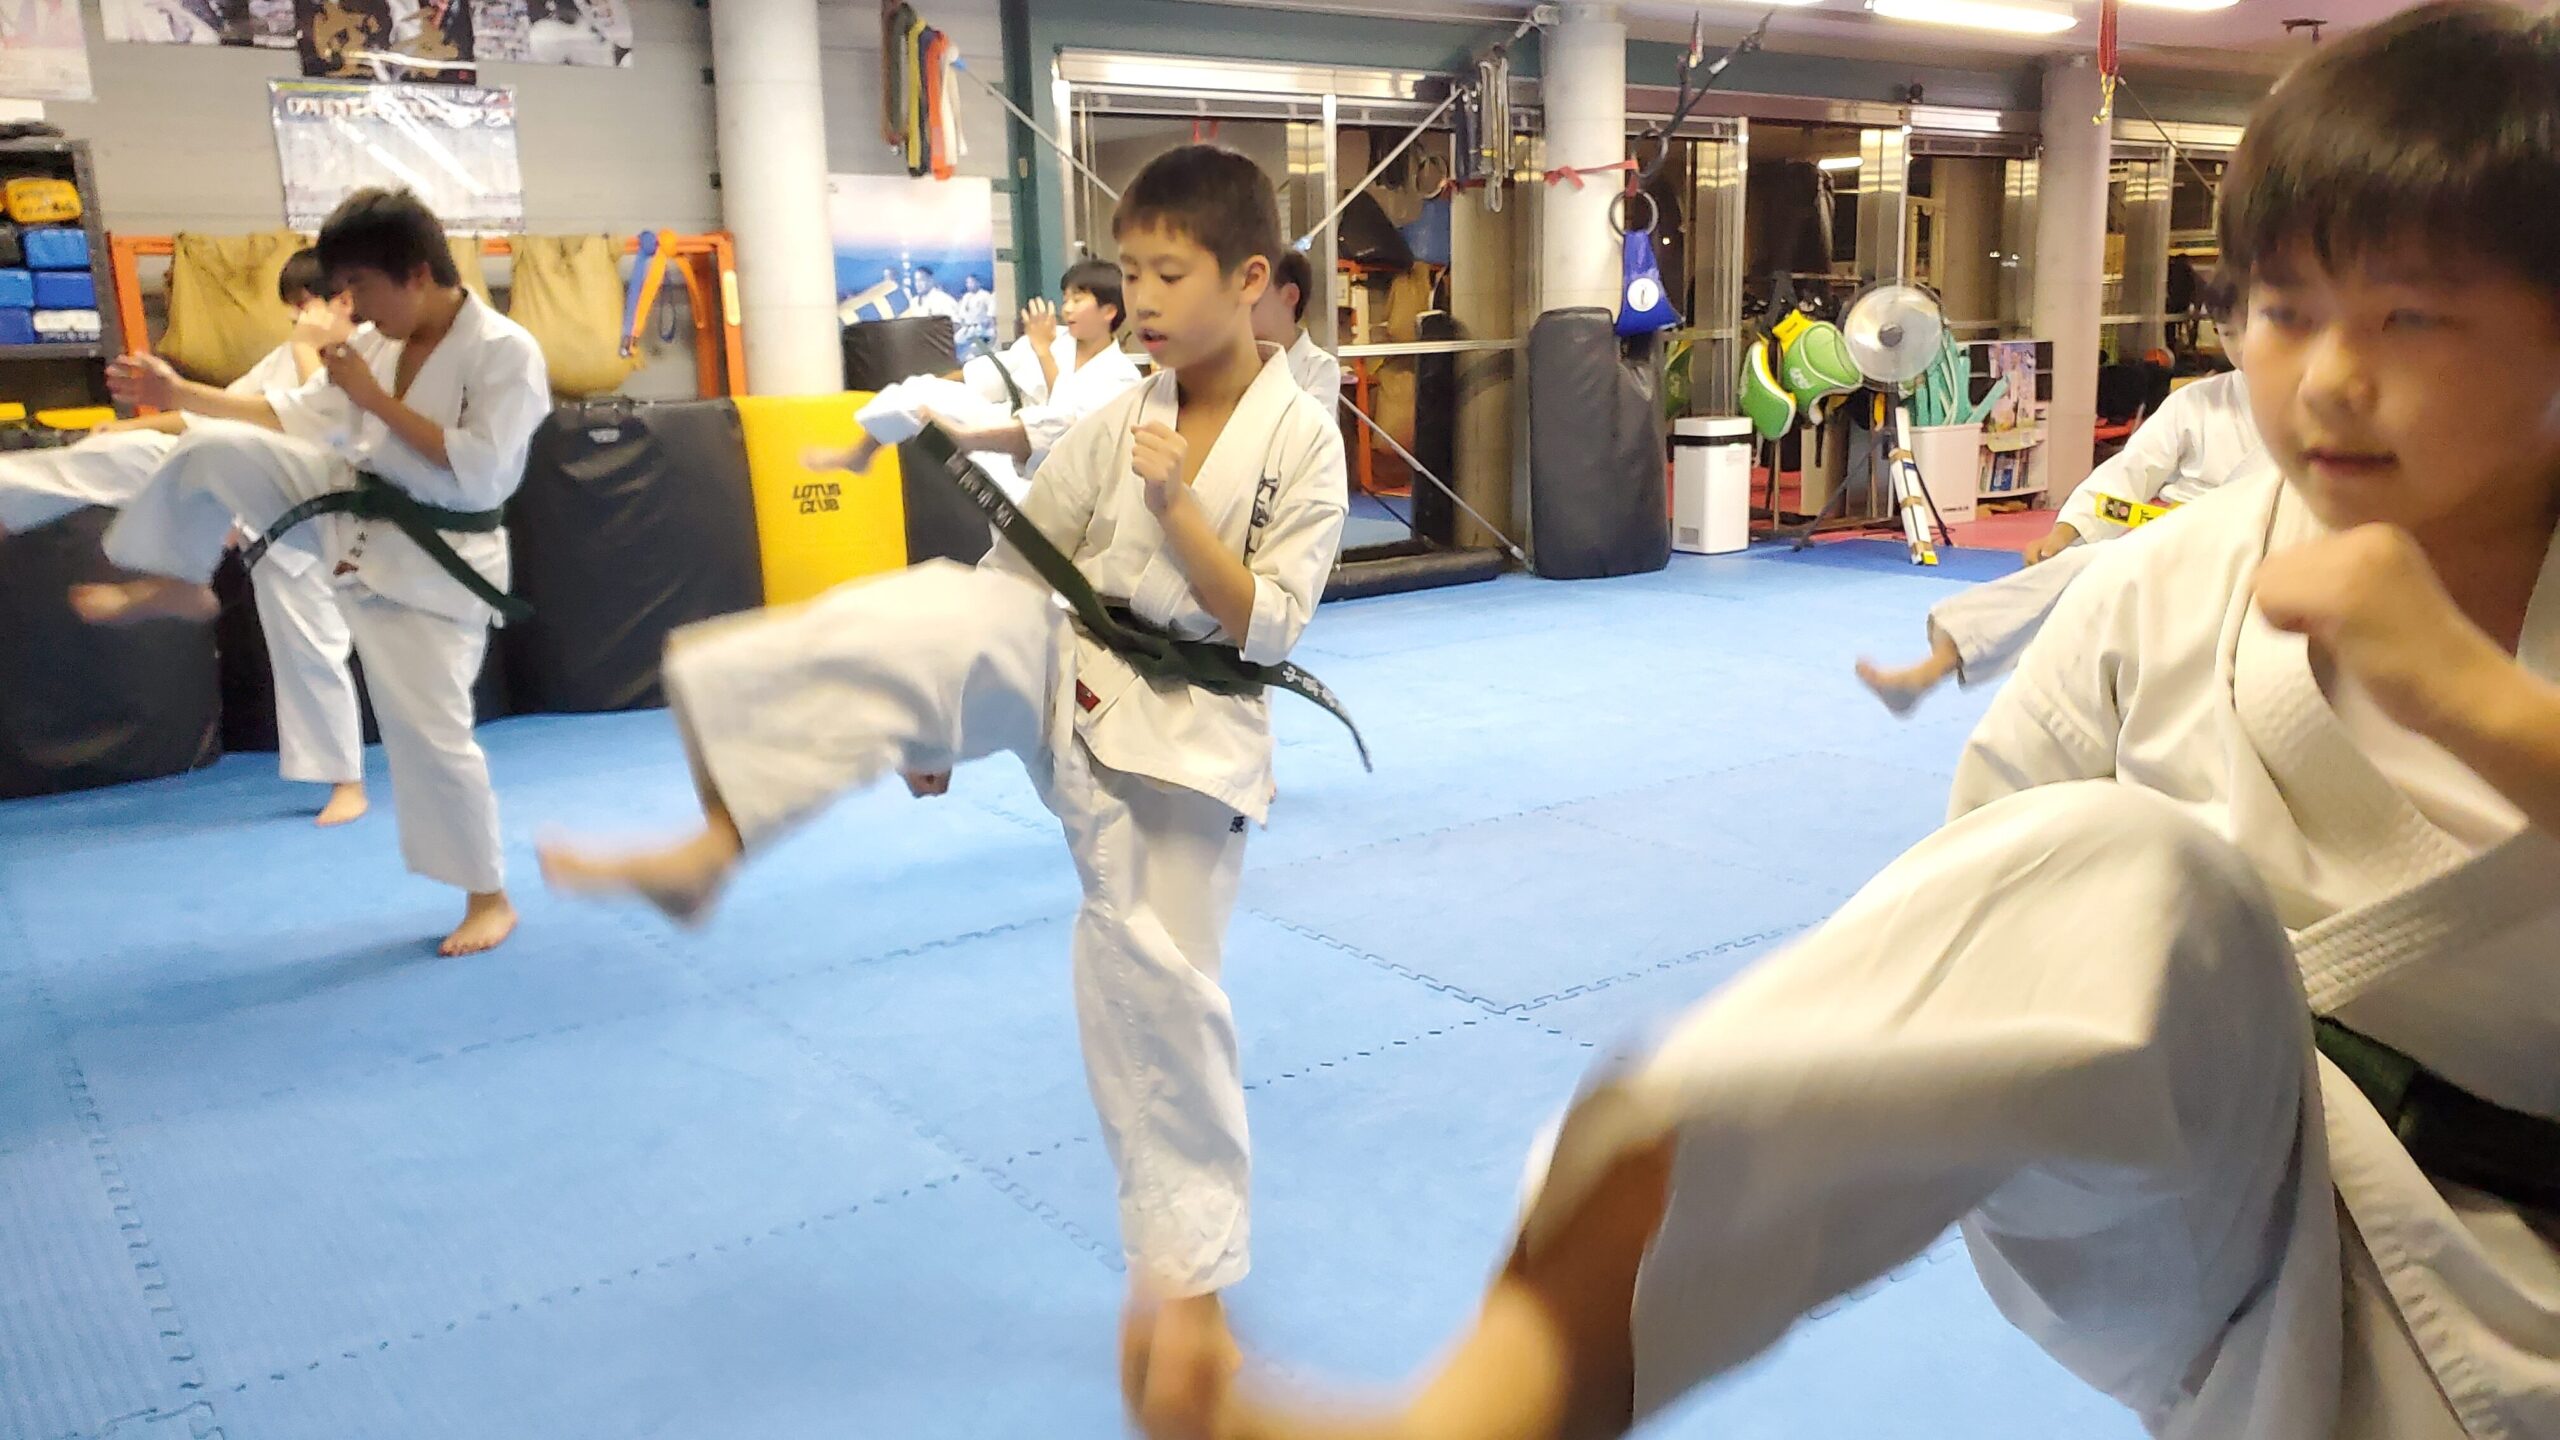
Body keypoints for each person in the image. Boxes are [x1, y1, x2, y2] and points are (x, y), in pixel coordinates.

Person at [1122, 7, 2560, 1438]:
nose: (2327, 377)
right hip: (2220, 1218)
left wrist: (2483, 708)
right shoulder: (2172, 582)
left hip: (2525, 1276)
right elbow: (1989, 941)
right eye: (2285, 311)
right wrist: (1949, 651)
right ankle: (1498, 1402)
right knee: (2129, 877)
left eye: (2411, 315)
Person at [537, 144, 1350, 1358]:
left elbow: (1269, 624)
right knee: (927, 615)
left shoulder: (1302, 438)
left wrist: (1177, 508)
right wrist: (940, 708)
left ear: (1248, 280)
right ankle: (718, 839)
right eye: (1128, 271)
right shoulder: (1122, 411)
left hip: (1188, 733)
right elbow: (1021, 559)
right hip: (1068, 662)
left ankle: (1188, 1293)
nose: (1139, 298)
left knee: (1157, 997)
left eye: (1167, 274)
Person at [73, 188, 552, 958]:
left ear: (417, 274)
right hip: (351, 508)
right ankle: (181, 575)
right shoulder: (378, 347)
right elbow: (292, 414)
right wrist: (181, 395)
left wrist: (374, 403)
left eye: (360, 284)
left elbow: (483, 473)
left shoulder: (505, 351)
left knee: (430, 736)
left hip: (435, 563)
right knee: (214, 447)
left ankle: (488, 897)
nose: (349, 305)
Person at [0, 248, 372, 827]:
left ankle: (347, 781)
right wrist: (129, 424)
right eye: (293, 309)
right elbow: (210, 415)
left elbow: (315, 425)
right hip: (246, 495)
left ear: (344, 302)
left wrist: (309, 348)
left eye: (306, 305)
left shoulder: (368, 357)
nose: (298, 319)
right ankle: (12, 501)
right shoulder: (282, 358)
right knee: (136, 452)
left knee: (311, 648)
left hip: (321, 519)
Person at [1857, 280, 2268, 714]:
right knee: (2076, 571)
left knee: (2101, 587)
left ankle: (1938, 671)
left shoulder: (2302, 409)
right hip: (2175, 550)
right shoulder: (2197, 403)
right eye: (2227, 334)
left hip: (2256, 561)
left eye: (2250, 329)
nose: (2240, 347)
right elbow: (2129, 471)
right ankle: (1935, 666)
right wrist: (2063, 534)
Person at [812, 258, 1141, 495]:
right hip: (1003, 447)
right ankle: (860, 455)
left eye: (1078, 300)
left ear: (1109, 311)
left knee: (1055, 427)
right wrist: (937, 386)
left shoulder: (1121, 376)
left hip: (1061, 474)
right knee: (920, 390)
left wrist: (1044, 352)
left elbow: (1069, 424)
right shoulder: (1052, 340)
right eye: (1065, 299)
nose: (1066, 308)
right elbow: (985, 375)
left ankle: (969, 438)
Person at [1250, 247, 1342, 403]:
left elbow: (1309, 420)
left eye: (1257, 294)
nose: (1245, 300)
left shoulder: (1319, 367)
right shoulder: (1234, 362)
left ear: (1290, 295)